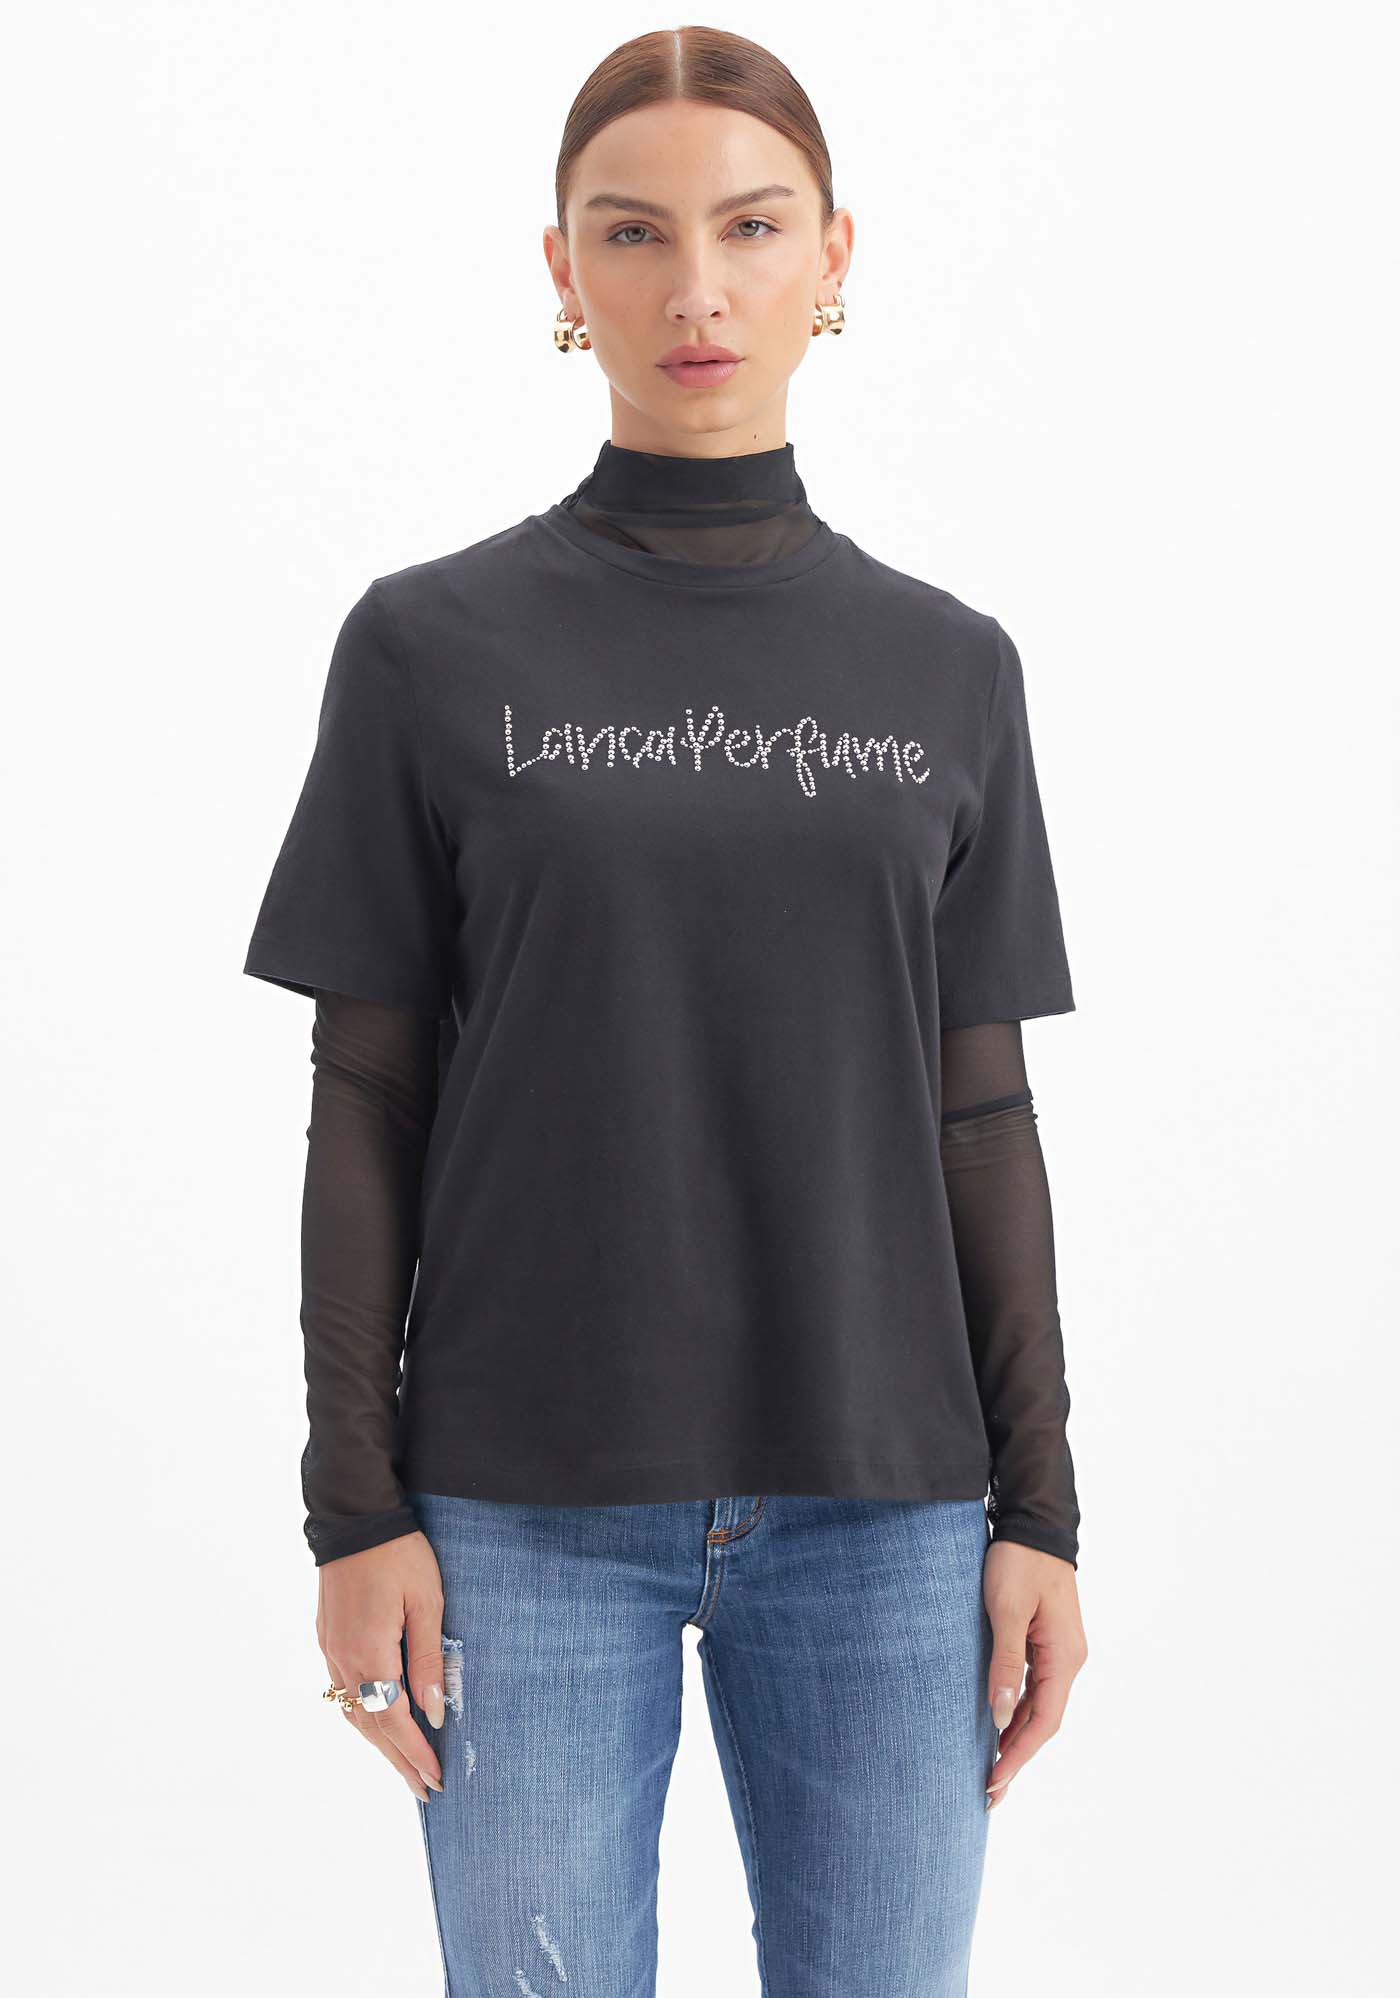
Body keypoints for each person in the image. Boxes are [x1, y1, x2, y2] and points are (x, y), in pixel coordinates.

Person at [243, 25, 1088, 1996]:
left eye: (751, 228)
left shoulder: (949, 668)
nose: (696, 289)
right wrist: (350, 1510)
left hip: (887, 1506)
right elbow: (365, 1097)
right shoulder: (426, 646)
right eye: (633, 234)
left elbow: (980, 1116)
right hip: (516, 1508)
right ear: (562, 269)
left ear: (832, 256)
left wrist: (1040, 1509)